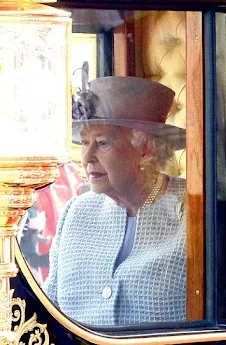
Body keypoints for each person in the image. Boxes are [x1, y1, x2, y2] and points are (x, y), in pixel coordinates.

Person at [43, 76, 187, 325]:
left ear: (146, 150)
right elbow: (49, 312)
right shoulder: (77, 211)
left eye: (102, 143)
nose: (87, 157)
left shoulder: (193, 209)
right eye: (85, 142)